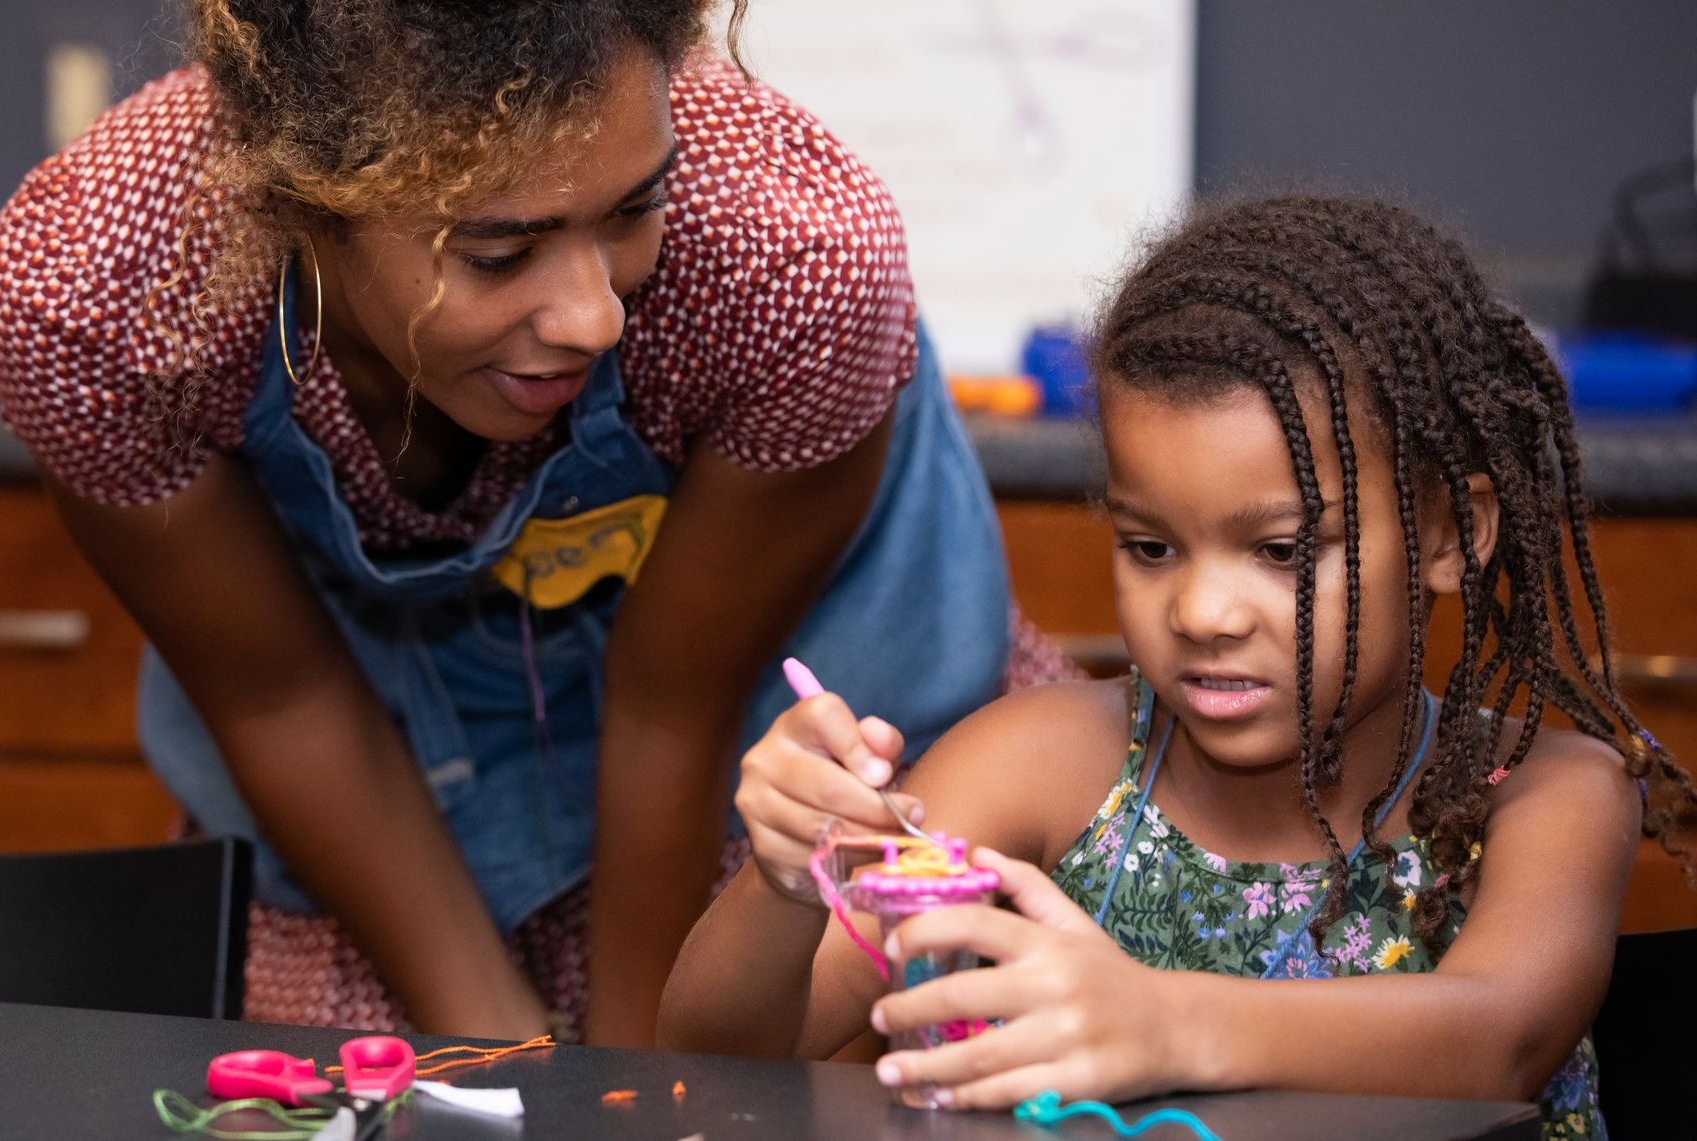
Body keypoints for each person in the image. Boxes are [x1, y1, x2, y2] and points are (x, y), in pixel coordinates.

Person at [0, 0, 1064, 1046]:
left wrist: (627, 1083)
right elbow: (280, 699)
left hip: (759, 793)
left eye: (631, 211)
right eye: (499, 254)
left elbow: (672, 708)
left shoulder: (787, 255)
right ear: (302, 212)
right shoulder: (105, 292)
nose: (592, 314)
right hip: (384, 790)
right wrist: (495, 1050)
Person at [660, 194, 1697, 1138]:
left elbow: (1496, 1040)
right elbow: (714, 1060)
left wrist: (1157, 1020)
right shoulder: (1038, 764)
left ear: (1445, 534)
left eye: (1282, 552)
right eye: (1150, 547)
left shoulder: (1546, 796)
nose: (1200, 612)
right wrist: (787, 881)